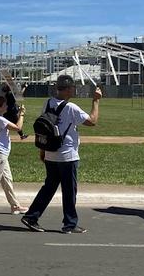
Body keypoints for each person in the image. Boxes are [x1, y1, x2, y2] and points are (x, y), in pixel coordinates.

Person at [21, 75, 101, 234]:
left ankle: (31, 216)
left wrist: (42, 151)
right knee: (69, 191)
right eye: (73, 87)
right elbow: (92, 121)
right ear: (68, 89)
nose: (74, 90)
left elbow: (44, 130)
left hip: (51, 153)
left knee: (48, 188)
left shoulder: (48, 103)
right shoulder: (71, 107)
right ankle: (70, 224)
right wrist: (96, 101)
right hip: (67, 156)